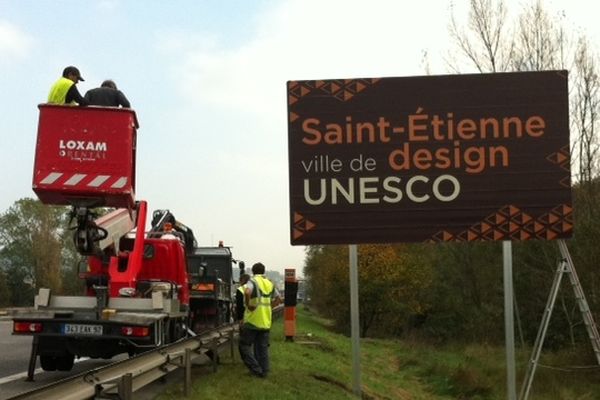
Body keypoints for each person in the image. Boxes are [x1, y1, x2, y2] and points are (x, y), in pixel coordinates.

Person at [238, 262, 281, 378]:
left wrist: (248, 305)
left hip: (252, 321)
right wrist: (269, 308)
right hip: (266, 322)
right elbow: (278, 299)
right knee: (262, 348)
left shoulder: (252, 281)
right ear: (264, 271)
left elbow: (247, 292)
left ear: (253, 271)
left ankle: (256, 369)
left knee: (244, 345)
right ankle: (264, 372)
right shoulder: (269, 283)